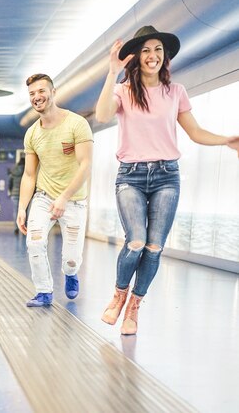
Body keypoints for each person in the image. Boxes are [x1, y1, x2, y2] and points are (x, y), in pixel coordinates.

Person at [95, 25, 239, 335]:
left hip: (166, 176)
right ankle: (119, 294)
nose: (152, 55)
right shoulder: (124, 90)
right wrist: (111, 73)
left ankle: (134, 306)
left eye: (158, 49)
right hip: (131, 175)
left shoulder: (176, 92)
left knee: (154, 246)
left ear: (166, 55)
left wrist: (227, 139)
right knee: (135, 241)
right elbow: (104, 115)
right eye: (146, 50)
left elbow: (196, 132)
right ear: (136, 56)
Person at [17, 74, 94, 308]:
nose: (37, 97)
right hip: (43, 197)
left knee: (71, 258)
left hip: (75, 200)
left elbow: (85, 165)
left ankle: (70, 273)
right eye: (32, 94)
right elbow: (29, 174)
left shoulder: (77, 124)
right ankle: (43, 292)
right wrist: (22, 208)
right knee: (34, 243)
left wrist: (64, 198)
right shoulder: (31, 133)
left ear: (53, 92)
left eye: (41, 91)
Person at [8, 156, 25, 234]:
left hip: (14, 194)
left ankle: (16, 228)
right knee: (26, 212)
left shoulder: (14, 170)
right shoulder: (26, 170)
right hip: (25, 195)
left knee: (16, 211)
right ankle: (25, 227)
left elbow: (10, 183)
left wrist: (11, 191)